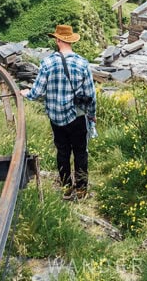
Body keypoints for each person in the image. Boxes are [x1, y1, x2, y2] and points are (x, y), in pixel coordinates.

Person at [25, 24, 96, 200]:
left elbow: (37, 92)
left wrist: (26, 93)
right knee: (80, 152)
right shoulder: (82, 63)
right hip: (77, 116)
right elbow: (90, 95)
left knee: (62, 152)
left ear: (57, 40)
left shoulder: (47, 63)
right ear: (71, 40)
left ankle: (66, 190)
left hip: (56, 117)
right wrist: (92, 115)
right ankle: (81, 190)